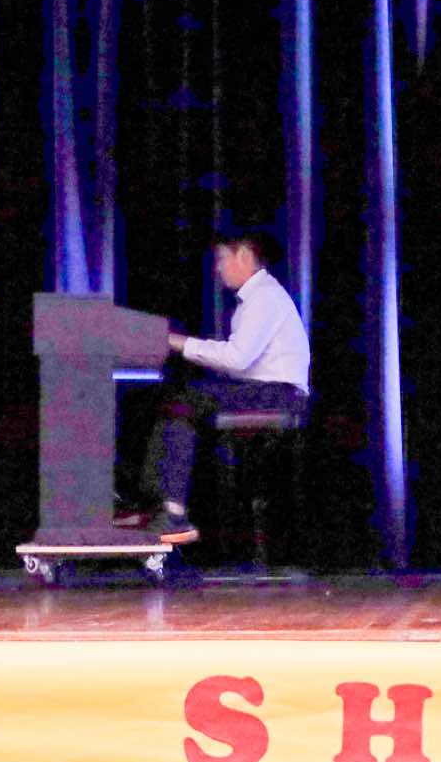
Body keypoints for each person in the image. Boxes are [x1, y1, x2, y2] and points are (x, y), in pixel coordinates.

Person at [131, 231, 310, 545]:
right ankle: (158, 505)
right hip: (268, 391)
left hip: (279, 395)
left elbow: (237, 359)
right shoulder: (258, 298)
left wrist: (177, 342)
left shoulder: (264, 297)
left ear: (244, 256)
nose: (217, 268)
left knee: (184, 400)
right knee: (176, 400)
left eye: (222, 259)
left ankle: (170, 512)